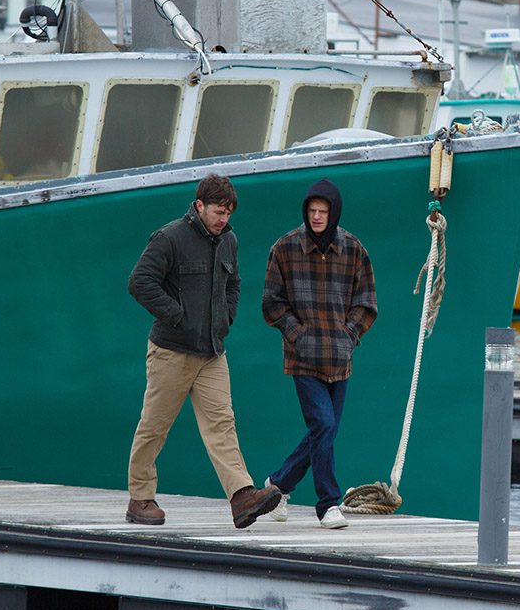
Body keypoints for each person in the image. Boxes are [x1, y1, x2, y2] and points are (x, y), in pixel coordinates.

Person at [125, 174, 281, 529]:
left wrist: (225, 316)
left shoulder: (229, 241)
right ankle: (140, 499)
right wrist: (176, 315)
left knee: (222, 424)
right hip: (171, 350)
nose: (223, 218)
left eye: (227, 212)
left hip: (212, 351)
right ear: (199, 206)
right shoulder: (170, 238)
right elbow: (139, 281)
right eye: (217, 211)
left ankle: (242, 497)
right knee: (154, 426)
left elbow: (234, 284)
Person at [261, 178, 377, 529]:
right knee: (324, 425)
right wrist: (299, 335)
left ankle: (277, 487)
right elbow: (271, 303)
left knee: (322, 432)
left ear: (334, 213)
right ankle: (328, 504)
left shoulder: (354, 249)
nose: (316, 217)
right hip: (302, 358)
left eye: (322, 211)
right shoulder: (284, 249)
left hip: (340, 358)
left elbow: (367, 303)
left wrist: (349, 335)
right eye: (311, 211)